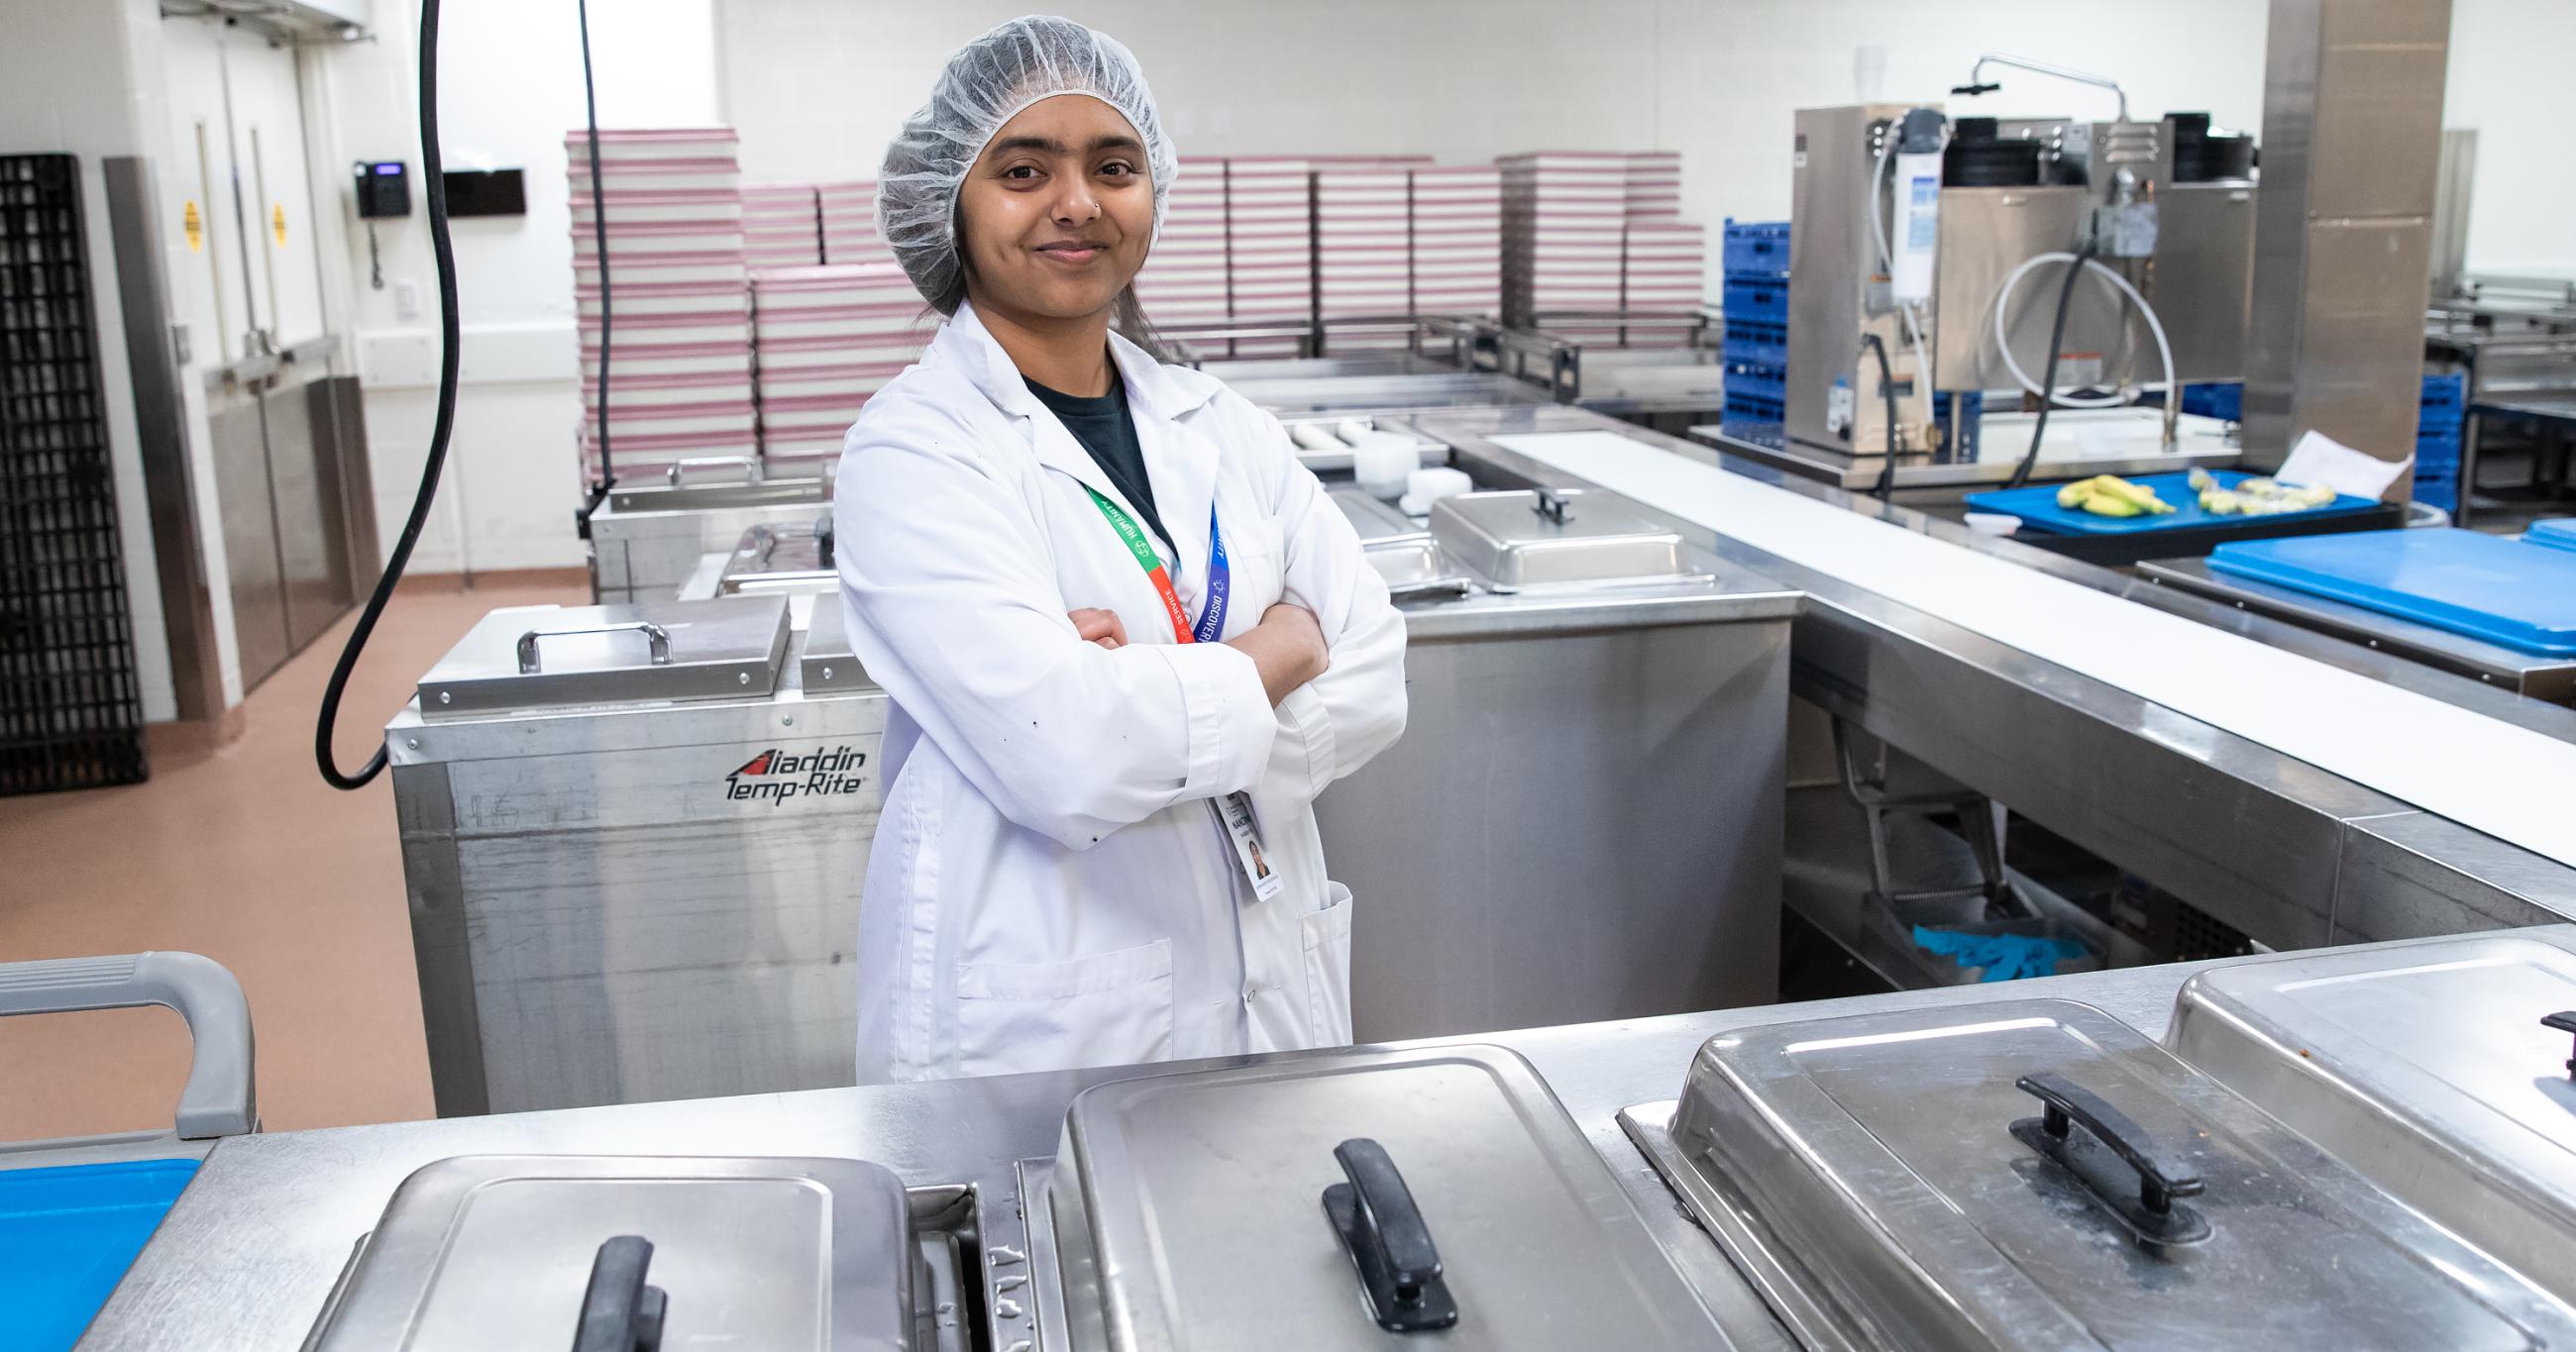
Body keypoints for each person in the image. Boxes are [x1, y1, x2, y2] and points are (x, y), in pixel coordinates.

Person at [833, 16, 1408, 1083]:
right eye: (1022, 169)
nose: (1078, 202)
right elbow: (1070, 755)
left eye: (1114, 165)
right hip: (1045, 1019)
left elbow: (1376, 669)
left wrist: (1143, 701)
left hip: (1266, 978)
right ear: (950, 205)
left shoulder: (1217, 421)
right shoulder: (913, 451)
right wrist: (1275, 653)